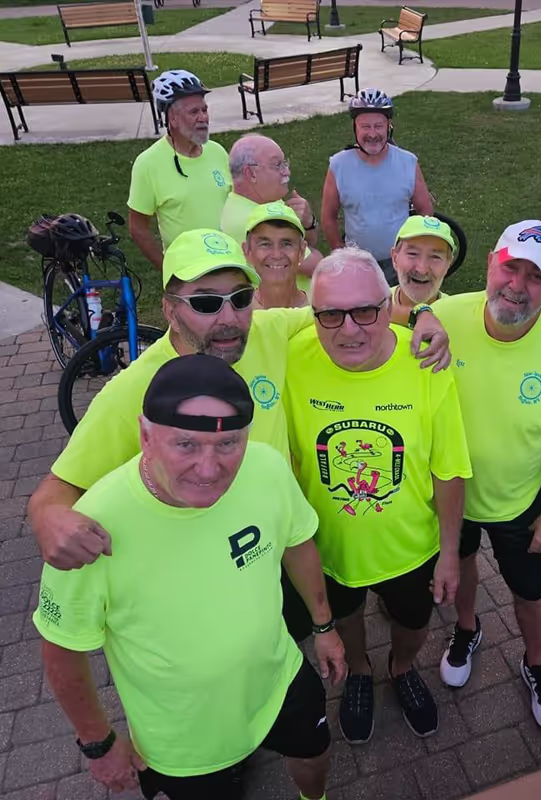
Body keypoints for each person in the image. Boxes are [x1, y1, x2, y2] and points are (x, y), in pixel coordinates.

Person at [27, 229, 448, 643]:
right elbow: (55, 492)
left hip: (287, 550)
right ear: (170, 310)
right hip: (211, 571)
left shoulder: (266, 331)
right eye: (207, 302)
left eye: (241, 299)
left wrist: (419, 314)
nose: (229, 318)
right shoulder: (134, 390)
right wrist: (48, 518)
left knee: (298, 640)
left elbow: (351, 309)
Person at [34, 355, 346, 800]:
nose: (208, 468)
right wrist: (99, 743)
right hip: (182, 739)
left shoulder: (267, 469)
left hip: (279, 683)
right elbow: (62, 647)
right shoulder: (92, 528)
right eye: (185, 445)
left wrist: (324, 626)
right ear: (145, 434)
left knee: (315, 758)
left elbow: (297, 544)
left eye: (228, 444)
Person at [284, 247, 472, 744]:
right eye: (330, 314)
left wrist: (450, 553)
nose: (349, 329)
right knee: (345, 618)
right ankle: (362, 673)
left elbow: (449, 469)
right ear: (314, 313)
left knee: (414, 623)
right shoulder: (290, 357)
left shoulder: (426, 361)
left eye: (366, 311)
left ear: (388, 307)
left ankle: (402, 667)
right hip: (326, 547)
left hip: (412, 547)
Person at [433, 221, 541, 730]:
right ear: (490, 262)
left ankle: (536, 662)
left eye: (536, 276)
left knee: (530, 593)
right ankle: (467, 629)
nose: (517, 284)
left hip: (521, 501)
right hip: (449, 497)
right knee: (460, 568)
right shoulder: (441, 317)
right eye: (511, 267)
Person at [321, 89, 434, 284]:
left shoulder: (407, 162)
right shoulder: (339, 165)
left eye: (378, 126)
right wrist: (340, 253)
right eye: (365, 126)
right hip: (357, 263)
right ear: (355, 127)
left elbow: (425, 211)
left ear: (388, 126)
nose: (372, 134)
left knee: (399, 311)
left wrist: (417, 253)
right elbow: (328, 216)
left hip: (400, 261)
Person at [128, 70, 231, 270]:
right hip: (188, 274)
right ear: (172, 119)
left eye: (204, 109)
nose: (203, 118)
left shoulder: (218, 152)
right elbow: (138, 228)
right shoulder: (148, 164)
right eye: (194, 112)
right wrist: (168, 270)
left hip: (231, 266)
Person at [222, 134, 322, 291]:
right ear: (251, 173)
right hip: (287, 313)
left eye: (285, 164)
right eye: (278, 165)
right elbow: (315, 267)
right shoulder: (256, 220)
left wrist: (309, 222)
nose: (287, 172)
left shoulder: (260, 201)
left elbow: (310, 242)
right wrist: (312, 252)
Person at [242, 201, 309, 310]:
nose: (276, 255)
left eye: (287, 244)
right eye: (265, 244)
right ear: (247, 251)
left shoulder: (322, 313)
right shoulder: (236, 316)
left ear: (302, 251)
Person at [390, 215, 454, 313]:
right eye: (413, 254)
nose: (422, 269)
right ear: (395, 258)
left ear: (448, 265)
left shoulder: (459, 314)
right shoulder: (369, 306)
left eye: (435, 257)